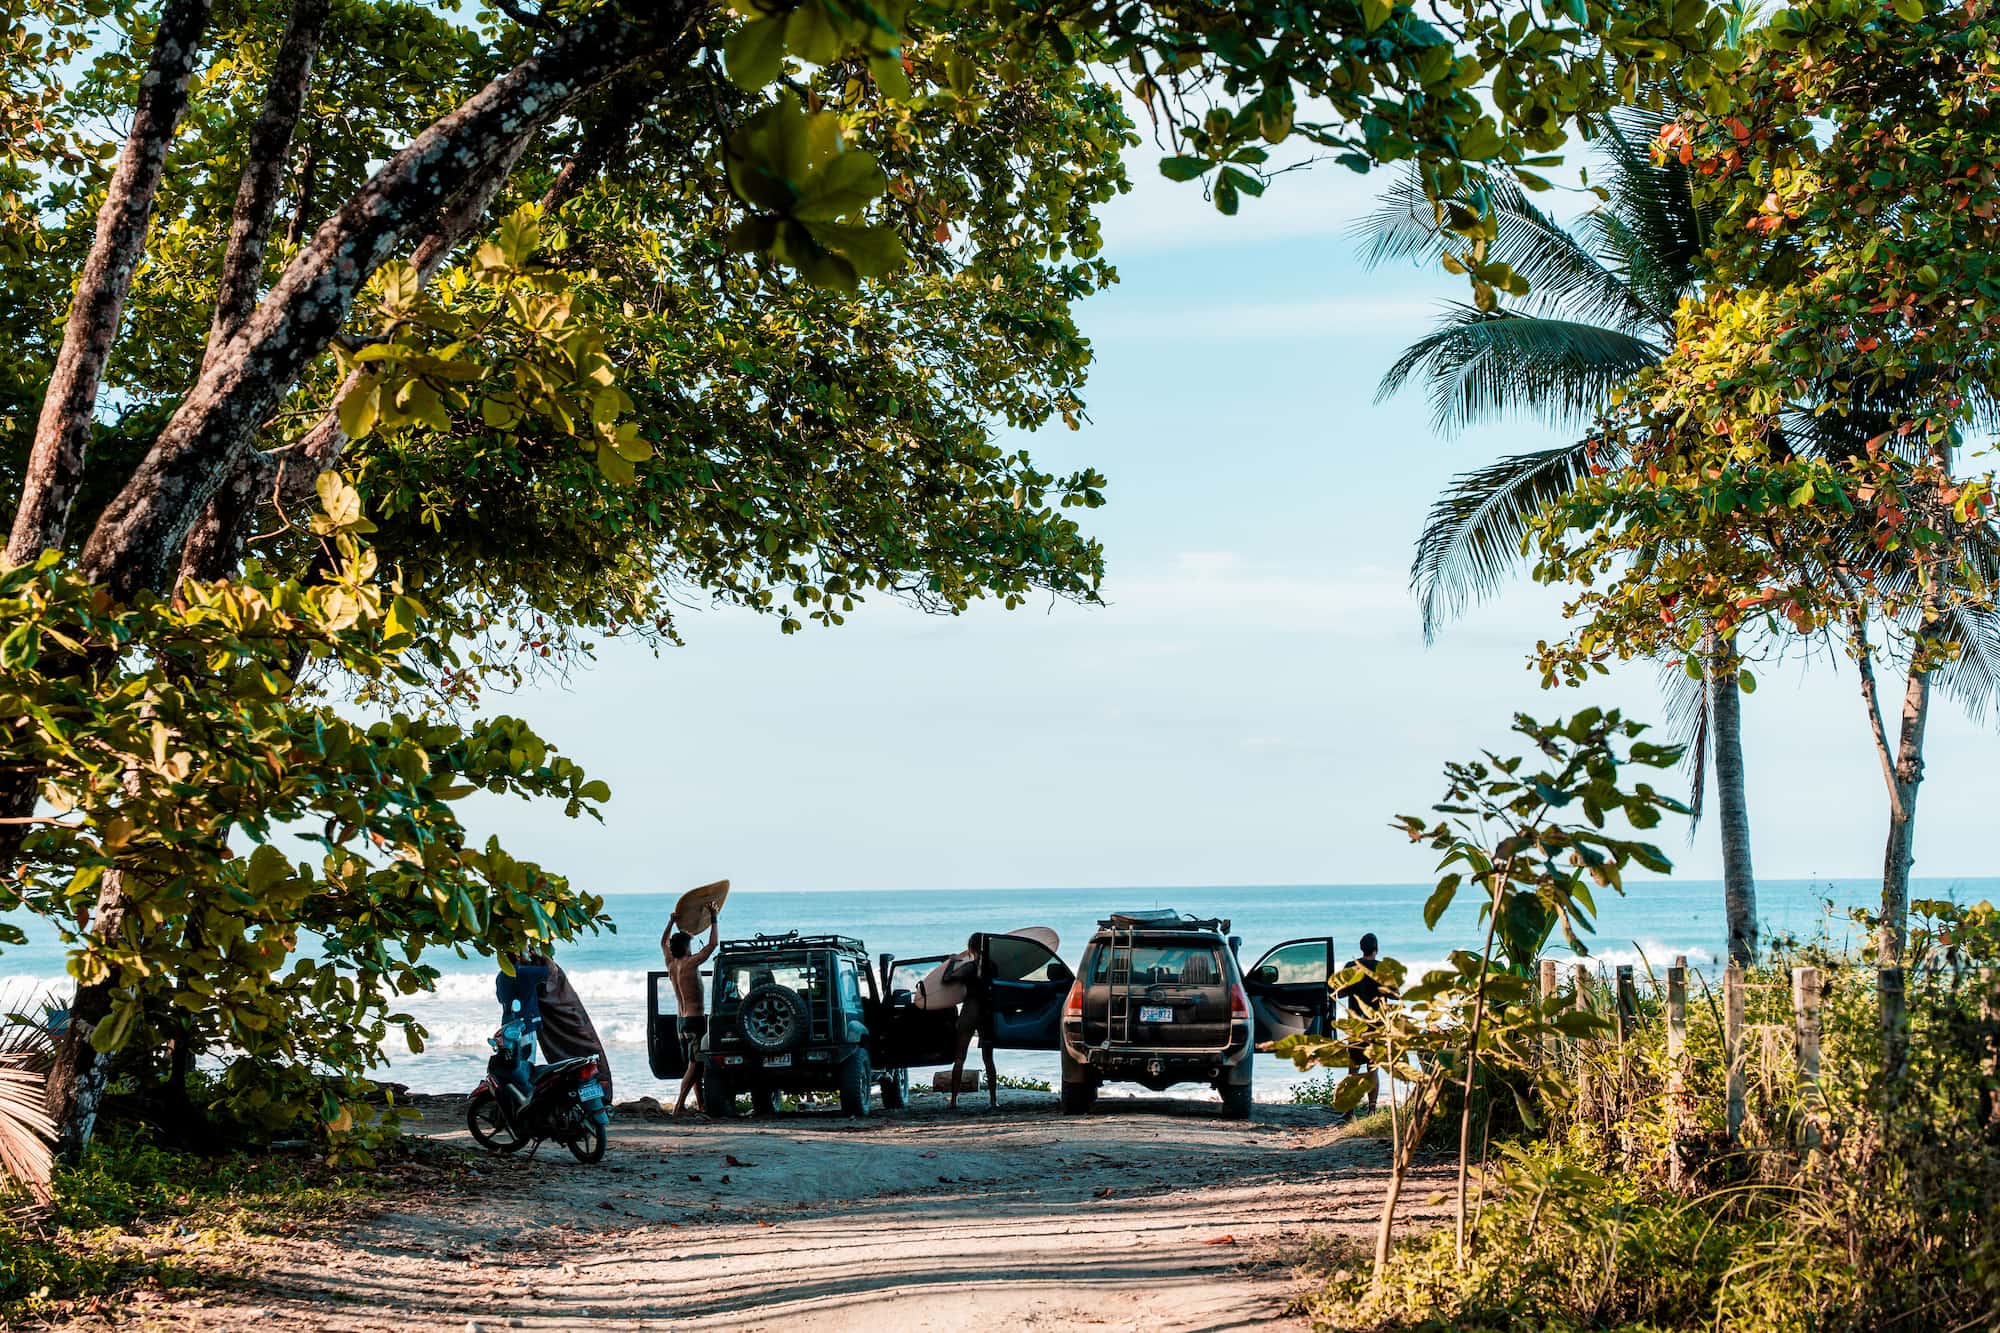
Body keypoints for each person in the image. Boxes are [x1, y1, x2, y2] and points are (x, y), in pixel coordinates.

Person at [664, 907, 723, 1116]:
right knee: (695, 1065)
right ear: (686, 947)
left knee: (694, 1064)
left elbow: (663, 943)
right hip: (694, 1020)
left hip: (680, 1022)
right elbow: (713, 944)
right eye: (689, 944)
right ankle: (679, 1105)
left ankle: (701, 1105)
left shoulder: (671, 964)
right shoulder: (691, 963)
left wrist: (671, 922)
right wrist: (713, 918)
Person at [1335, 932, 1398, 1116]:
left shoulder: (1351, 966)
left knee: (1353, 1069)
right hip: (1376, 1026)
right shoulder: (1382, 968)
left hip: (1356, 1025)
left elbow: (1340, 993)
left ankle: (1350, 1111)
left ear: (1361, 948)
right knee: (1373, 1068)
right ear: (1376, 949)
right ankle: (1372, 1110)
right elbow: (1395, 995)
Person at [945, 934, 998, 1111]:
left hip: (969, 1012)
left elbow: (947, 979)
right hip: (986, 1013)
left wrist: (952, 962)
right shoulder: (993, 967)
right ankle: (993, 1100)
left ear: (971, 948)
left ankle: (953, 1100)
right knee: (988, 1059)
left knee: (960, 1058)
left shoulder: (969, 967)